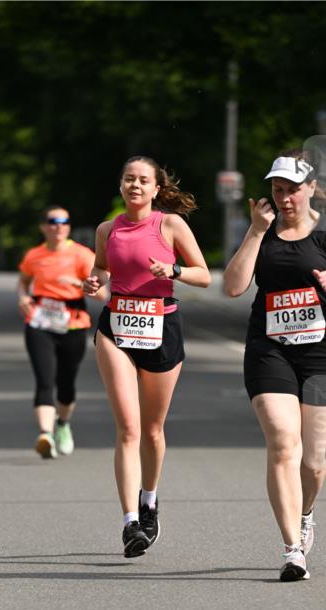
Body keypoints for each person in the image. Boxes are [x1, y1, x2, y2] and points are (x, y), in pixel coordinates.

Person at [224, 150, 326, 581]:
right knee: (282, 442)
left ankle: (306, 513)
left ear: (310, 189)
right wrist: (254, 232)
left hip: (323, 353)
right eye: (277, 190)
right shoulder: (261, 230)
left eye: (292, 189)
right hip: (269, 350)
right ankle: (292, 549)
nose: (285, 198)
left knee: (312, 461)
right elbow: (234, 287)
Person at [83, 156, 211, 558]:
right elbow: (103, 268)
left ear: (157, 189)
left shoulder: (170, 225)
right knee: (128, 428)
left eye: (143, 181)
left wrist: (171, 270)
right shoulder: (108, 229)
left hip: (162, 327)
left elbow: (204, 274)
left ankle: (149, 500)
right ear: (120, 186)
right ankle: (130, 523)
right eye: (128, 179)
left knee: (153, 430)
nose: (135, 185)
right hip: (117, 326)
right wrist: (95, 280)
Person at [17, 206, 103, 458]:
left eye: (64, 221)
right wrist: (22, 298)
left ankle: (63, 425)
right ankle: (45, 435)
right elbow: (22, 281)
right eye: (53, 221)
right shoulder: (34, 255)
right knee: (44, 380)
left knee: (66, 383)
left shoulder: (82, 255)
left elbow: (103, 294)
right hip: (40, 323)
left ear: (68, 226)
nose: (59, 226)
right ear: (44, 226)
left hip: (72, 324)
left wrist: (79, 283)